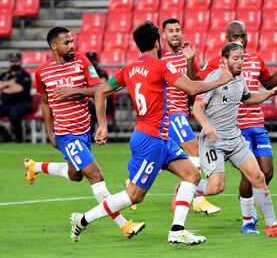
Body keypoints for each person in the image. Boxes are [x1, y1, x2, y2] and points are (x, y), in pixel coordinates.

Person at [69, 21, 232, 245]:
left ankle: (177, 230)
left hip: (159, 138)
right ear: (157, 42)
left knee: (192, 175)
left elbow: (101, 92)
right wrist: (221, 80)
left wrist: (102, 125)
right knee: (134, 195)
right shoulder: (160, 66)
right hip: (151, 140)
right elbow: (192, 88)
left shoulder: (129, 69)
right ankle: (83, 219)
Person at [24, 26, 144, 241]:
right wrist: (50, 132)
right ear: (54, 46)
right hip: (66, 134)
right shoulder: (42, 72)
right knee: (95, 175)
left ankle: (35, 166)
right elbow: (45, 103)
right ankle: (124, 224)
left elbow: (100, 89)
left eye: (72, 41)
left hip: (83, 132)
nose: (72, 45)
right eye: (66, 42)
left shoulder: (81, 62)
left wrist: (75, 90)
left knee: (75, 175)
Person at [196, 21, 277, 234]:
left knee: (259, 176)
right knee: (216, 187)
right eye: (236, 58)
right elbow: (197, 107)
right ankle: (190, 188)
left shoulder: (240, 78)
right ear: (224, 60)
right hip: (213, 140)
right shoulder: (213, 79)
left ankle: (272, 226)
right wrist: (206, 126)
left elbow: (248, 99)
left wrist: (270, 93)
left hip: (234, 138)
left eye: (242, 58)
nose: (241, 62)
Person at [161, 18, 219, 214]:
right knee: (194, 148)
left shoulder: (186, 55)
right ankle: (196, 197)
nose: (175, 34)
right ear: (163, 35)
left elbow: (195, 83)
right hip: (170, 113)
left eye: (178, 30)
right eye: (171, 31)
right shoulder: (160, 59)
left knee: (163, 156)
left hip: (181, 112)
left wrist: (190, 60)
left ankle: (133, 182)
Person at [0, 52, 32, 142]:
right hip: (6, 105)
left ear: (20, 62)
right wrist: (10, 83)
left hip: (22, 104)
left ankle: (19, 138)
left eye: (16, 61)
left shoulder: (24, 75)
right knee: (11, 112)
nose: (14, 63)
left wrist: (4, 87)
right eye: (12, 61)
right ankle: (5, 135)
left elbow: (19, 89)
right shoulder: (4, 75)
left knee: (14, 114)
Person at [85, 52, 114, 134]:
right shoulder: (84, 73)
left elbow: (101, 90)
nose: (92, 63)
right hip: (91, 101)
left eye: (93, 61)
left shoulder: (102, 73)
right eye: (90, 61)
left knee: (92, 107)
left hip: (105, 102)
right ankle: (89, 133)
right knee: (89, 107)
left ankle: (100, 131)